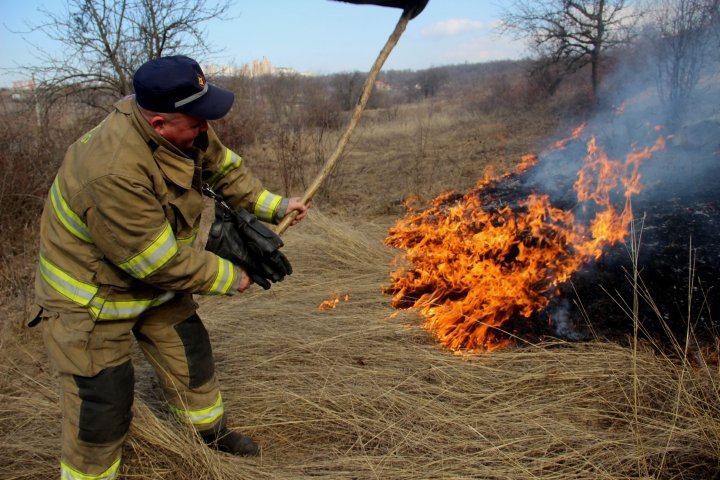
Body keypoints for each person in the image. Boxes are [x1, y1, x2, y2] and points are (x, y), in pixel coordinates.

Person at [30, 55, 309, 479]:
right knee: (102, 403)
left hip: (155, 279)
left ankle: (208, 437)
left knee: (191, 356)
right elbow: (157, 262)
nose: (205, 127)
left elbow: (223, 167)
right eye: (197, 121)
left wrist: (273, 206)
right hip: (90, 298)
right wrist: (231, 276)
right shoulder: (111, 171)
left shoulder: (185, 122)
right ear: (159, 124)